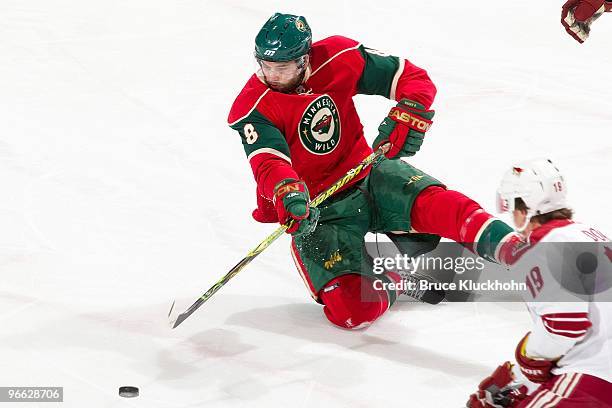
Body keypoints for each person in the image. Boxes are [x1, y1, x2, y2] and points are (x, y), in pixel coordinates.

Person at [227, 12, 520, 330]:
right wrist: (288, 194)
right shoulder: (253, 107)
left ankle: (517, 251)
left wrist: (411, 110)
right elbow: (269, 163)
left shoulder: (338, 57)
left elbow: (410, 76)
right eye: (264, 66)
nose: (271, 75)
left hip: (367, 175)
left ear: (304, 58)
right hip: (318, 212)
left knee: (444, 207)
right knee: (352, 312)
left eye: (281, 68)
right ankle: (392, 275)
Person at [467, 158, 612, 407]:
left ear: (525, 209)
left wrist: (526, 360)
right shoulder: (591, 234)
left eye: (513, 208)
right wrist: (520, 377)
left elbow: (565, 326)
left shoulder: (544, 248)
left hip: (594, 377)